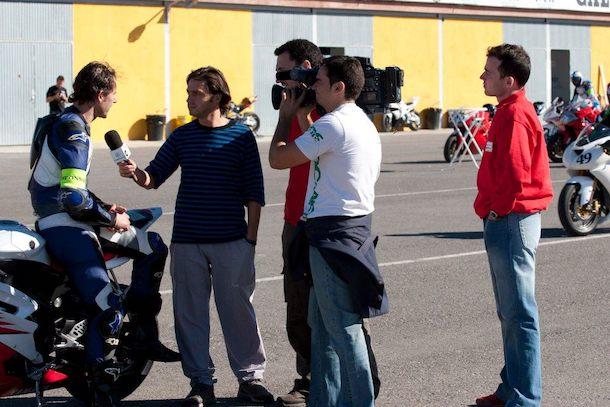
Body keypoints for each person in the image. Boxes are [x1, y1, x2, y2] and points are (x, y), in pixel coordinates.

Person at [117, 66, 273, 407]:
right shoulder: (182, 136)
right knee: (190, 315)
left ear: (216, 96)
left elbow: (254, 193)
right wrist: (135, 173)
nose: (189, 98)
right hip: (188, 241)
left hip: (232, 241)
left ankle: (250, 380)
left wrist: (250, 241)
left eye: (195, 93)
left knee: (238, 313)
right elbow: (153, 177)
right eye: (188, 92)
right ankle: (201, 384)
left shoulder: (241, 136)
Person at [29, 62, 179, 407]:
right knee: (109, 304)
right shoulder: (76, 131)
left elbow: (58, 188)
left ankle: (141, 332)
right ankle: (101, 382)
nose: (115, 101)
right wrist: (109, 220)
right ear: (100, 94)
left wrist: (106, 207)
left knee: (153, 245)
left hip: (60, 221)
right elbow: (73, 198)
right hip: (67, 227)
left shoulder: (60, 120)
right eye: (113, 95)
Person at [269, 56, 388, 407]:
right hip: (344, 232)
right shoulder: (356, 122)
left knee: (344, 330)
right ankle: (325, 400)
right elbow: (320, 148)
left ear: (339, 87)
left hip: (332, 236)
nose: (312, 86)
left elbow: (279, 159)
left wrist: (286, 117)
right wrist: (305, 114)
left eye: (318, 81)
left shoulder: (335, 124)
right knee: (322, 330)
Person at [474, 44, 553, 407]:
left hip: (511, 220)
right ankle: (512, 388)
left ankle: (525, 397)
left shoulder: (515, 114)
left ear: (508, 80)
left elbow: (517, 175)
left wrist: (497, 211)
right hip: (506, 219)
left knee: (519, 313)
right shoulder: (507, 110)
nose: (482, 76)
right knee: (509, 312)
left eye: (488, 72)